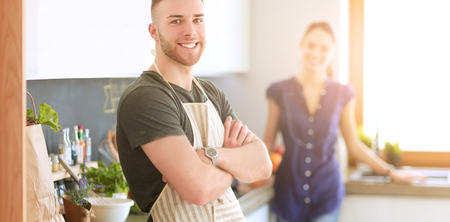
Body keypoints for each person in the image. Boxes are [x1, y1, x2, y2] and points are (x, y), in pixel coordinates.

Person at [116, 0, 272, 221]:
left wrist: (212, 156)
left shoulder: (212, 93)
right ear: (154, 31)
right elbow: (199, 190)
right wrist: (234, 164)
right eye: (176, 21)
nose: (190, 31)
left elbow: (263, 164)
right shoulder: (146, 97)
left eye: (197, 19)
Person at [263, 21, 426, 222]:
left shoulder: (342, 94)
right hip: (288, 195)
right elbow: (267, 143)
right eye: (311, 45)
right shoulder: (279, 91)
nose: (315, 53)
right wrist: (250, 177)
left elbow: (354, 145)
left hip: (326, 194)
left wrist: (391, 172)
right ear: (302, 44)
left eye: (324, 48)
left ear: (332, 52)